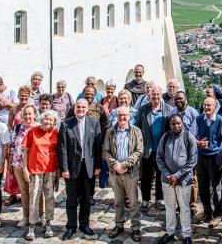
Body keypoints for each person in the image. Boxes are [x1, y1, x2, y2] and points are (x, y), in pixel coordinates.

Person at [58, 99, 102, 241]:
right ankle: (71, 226)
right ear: (74, 108)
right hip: (71, 167)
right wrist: (64, 168)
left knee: (86, 198)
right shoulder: (66, 124)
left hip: (88, 167)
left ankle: (84, 224)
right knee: (71, 198)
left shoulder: (94, 122)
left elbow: (97, 145)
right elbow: (62, 148)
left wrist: (98, 166)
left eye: (83, 107)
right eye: (78, 107)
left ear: (88, 108)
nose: (81, 109)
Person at [103, 106, 143, 242]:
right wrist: (116, 165)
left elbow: (139, 151)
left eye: (125, 115)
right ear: (116, 116)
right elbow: (105, 151)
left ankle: (135, 227)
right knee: (118, 201)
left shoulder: (136, 131)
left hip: (130, 172)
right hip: (115, 172)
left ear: (129, 116)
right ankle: (119, 225)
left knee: (133, 202)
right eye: (119, 115)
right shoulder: (110, 132)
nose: (122, 117)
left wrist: (125, 165)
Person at [156, 114, 197, 244]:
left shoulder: (188, 137)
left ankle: (186, 235)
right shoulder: (166, 137)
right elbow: (159, 158)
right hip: (167, 180)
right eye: (173, 124)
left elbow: (192, 160)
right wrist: (169, 175)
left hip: (184, 180)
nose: (176, 125)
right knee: (169, 206)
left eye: (178, 123)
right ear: (170, 125)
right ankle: (170, 232)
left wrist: (177, 175)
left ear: (182, 123)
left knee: (184, 207)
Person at [190, 97, 222, 228]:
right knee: (203, 186)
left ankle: (217, 215)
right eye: (205, 105)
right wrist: (198, 143)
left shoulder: (220, 120)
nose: (206, 108)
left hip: (215, 158)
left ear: (215, 107)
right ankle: (207, 212)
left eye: (209, 105)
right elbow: (191, 137)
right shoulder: (199, 119)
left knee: (217, 188)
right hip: (201, 157)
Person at [22, 111, 60, 240]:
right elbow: (25, 151)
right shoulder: (32, 131)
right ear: (41, 119)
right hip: (35, 169)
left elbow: (59, 151)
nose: (48, 122)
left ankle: (48, 223)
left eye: (51, 120)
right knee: (34, 197)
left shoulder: (55, 132)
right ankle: (32, 226)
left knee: (49, 196)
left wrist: (59, 170)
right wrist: (25, 169)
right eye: (46, 119)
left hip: (51, 169)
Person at [134, 86, 173, 212]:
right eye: (153, 94)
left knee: (161, 175)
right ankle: (145, 200)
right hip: (147, 149)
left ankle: (159, 199)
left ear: (161, 95)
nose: (155, 97)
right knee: (146, 176)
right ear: (149, 96)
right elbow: (137, 127)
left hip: (162, 150)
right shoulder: (143, 109)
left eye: (157, 94)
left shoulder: (168, 109)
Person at [8, 105, 45, 228]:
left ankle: (42, 216)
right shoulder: (18, 127)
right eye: (25, 114)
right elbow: (13, 145)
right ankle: (26, 216)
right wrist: (10, 163)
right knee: (24, 191)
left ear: (35, 115)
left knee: (38, 191)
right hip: (18, 164)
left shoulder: (39, 128)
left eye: (30, 114)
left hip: (35, 165)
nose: (28, 116)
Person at [169, 91, 199, 216]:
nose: (178, 101)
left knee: (191, 178)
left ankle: (192, 205)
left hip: (190, 149)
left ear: (185, 99)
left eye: (180, 98)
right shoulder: (172, 113)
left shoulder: (193, 113)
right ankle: (179, 205)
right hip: (176, 150)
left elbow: (196, 132)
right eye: (176, 99)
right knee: (177, 177)